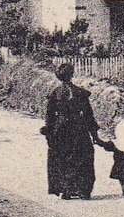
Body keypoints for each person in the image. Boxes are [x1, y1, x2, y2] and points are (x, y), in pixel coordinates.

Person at [41, 63, 111, 200]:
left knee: (63, 158)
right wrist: (95, 136)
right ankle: (83, 189)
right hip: (78, 128)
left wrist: (49, 135)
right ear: (72, 75)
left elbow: (49, 117)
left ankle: (67, 189)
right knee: (82, 157)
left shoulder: (55, 93)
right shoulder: (80, 93)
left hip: (61, 130)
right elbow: (89, 115)